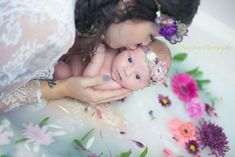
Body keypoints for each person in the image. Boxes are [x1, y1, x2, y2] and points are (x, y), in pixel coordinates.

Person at [0, 0, 200, 112]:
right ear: (129, 3)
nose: (140, 44)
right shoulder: (55, 28)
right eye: (150, 35)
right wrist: (63, 88)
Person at [54, 39, 171, 92]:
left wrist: (97, 59)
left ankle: (49, 64)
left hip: (71, 73)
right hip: (75, 53)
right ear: (127, 49)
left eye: (137, 77)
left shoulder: (114, 84)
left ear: (143, 87)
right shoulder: (116, 51)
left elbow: (88, 83)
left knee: (59, 69)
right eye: (130, 60)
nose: (127, 71)